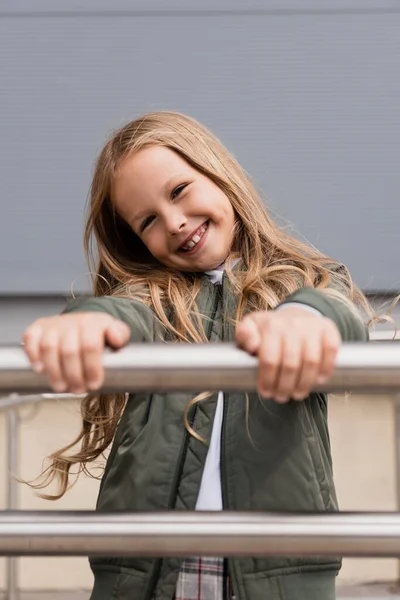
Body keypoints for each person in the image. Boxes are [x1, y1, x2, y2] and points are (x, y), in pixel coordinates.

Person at [23, 111, 371, 600]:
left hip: (277, 568)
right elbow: (123, 316)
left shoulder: (299, 280)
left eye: (179, 191)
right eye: (147, 221)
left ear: (218, 174)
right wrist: (92, 323)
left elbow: (338, 311)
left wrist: (302, 320)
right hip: (150, 571)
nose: (175, 222)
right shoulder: (152, 296)